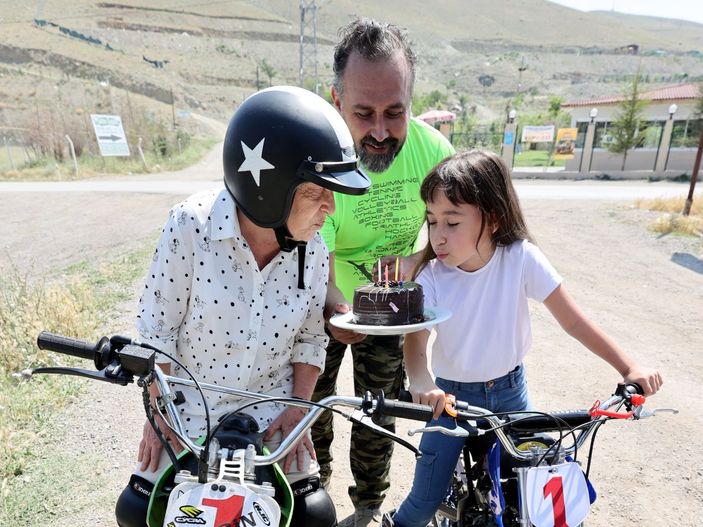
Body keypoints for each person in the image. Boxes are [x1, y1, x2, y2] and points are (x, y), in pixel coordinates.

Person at [114, 85, 371, 527]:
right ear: (269, 188)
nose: (330, 207)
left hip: (272, 417)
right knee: (138, 512)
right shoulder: (189, 227)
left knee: (315, 515)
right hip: (188, 411)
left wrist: (298, 414)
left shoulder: (315, 248)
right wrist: (159, 421)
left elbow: (311, 340)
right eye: (316, 193)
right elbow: (156, 335)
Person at [383, 149, 663, 527]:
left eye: (452, 222)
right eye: (432, 222)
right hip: (449, 400)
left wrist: (629, 367)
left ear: (493, 219)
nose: (438, 235)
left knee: (535, 494)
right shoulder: (431, 276)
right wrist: (421, 380)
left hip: (511, 394)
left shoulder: (520, 258)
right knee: (423, 501)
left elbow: (574, 321)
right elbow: (416, 342)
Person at [311, 17, 455, 527]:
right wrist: (333, 304)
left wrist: (419, 259)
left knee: (379, 412)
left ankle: (369, 505)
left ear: (412, 100)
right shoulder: (319, 155)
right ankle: (316, 489)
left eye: (395, 113)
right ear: (336, 99)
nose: (378, 131)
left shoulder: (434, 153)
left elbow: (456, 230)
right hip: (322, 302)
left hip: (393, 311)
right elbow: (313, 249)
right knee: (315, 403)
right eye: (363, 113)